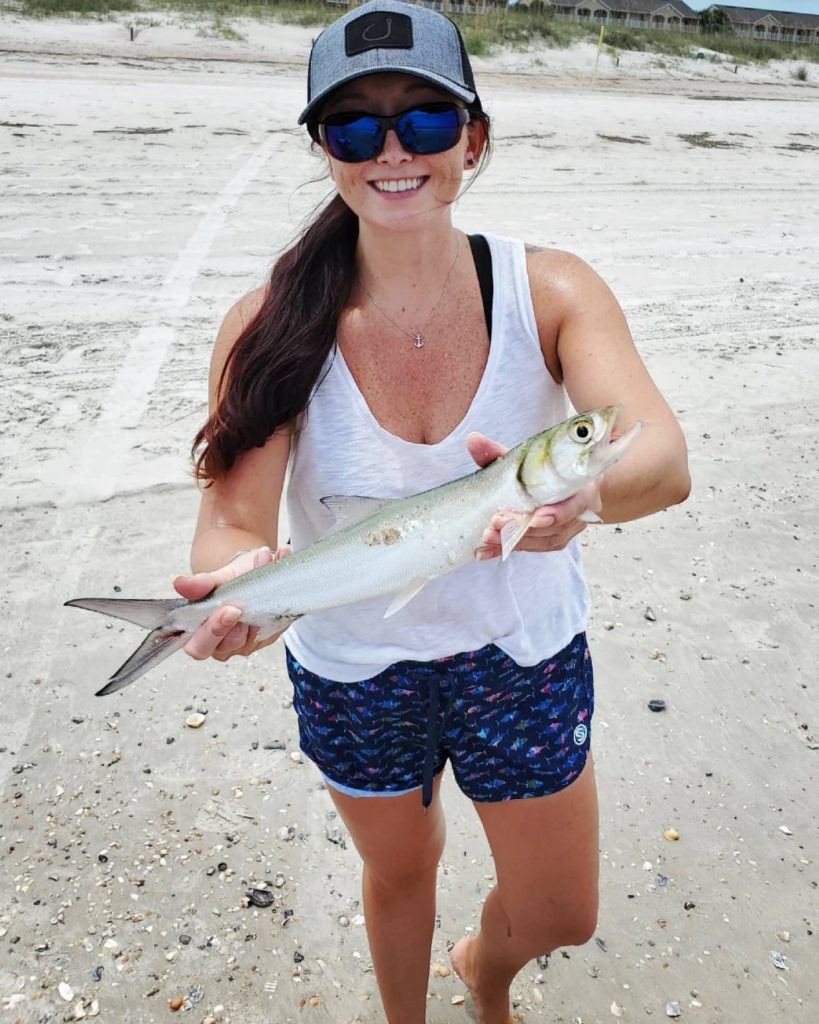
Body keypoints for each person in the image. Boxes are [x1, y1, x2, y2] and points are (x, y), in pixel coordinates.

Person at [173, 3, 690, 1022]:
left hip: (522, 650)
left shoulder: (550, 287)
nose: (393, 150)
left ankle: (485, 969)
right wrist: (241, 588)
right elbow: (229, 528)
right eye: (356, 127)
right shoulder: (269, 323)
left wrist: (586, 492)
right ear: (326, 148)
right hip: (356, 661)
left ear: (475, 138)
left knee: (558, 912)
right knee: (400, 873)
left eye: (425, 119)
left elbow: (663, 458)